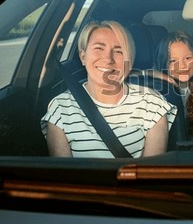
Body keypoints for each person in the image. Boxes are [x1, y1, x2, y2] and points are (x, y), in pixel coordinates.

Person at [41, 21, 177, 158]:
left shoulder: (152, 103)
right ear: (83, 56)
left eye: (118, 51)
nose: (108, 59)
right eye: (99, 48)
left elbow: (148, 175)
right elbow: (63, 176)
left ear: (129, 59)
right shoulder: (60, 108)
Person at [152, 30, 193, 113]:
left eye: (188, 58)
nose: (182, 66)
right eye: (173, 61)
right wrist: (153, 73)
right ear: (163, 62)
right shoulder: (156, 89)